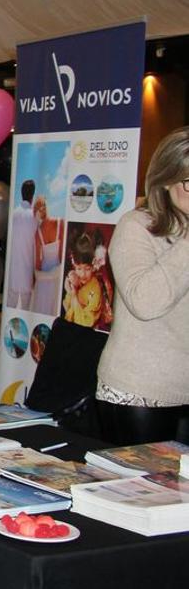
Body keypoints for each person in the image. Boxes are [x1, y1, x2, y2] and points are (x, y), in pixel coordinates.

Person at [96, 127, 189, 445]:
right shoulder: (137, 226)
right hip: (140, 391)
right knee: (142, 491)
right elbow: (145, 302)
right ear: (165, 180)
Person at [62, 230, 110, 328]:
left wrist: (74, 294)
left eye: (87, 269)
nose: (83, 274)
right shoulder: (75, 278)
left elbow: (86, 322)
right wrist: (70, 289)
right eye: (79, 268)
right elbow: (67, 306)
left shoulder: (95, 288)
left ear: (94, 266)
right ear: (74, 265)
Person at [6, 179, 38, 310]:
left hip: (12, 271)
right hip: (27, 270)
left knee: (9, 309)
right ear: (33, 195)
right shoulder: (34, 217)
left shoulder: (12, 214)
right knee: (25, 312)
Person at [30, 195, 63, 316]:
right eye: (40, 207)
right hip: (51, 276)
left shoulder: (59, 223)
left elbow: (38, 264)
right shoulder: (39, 232)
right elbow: (38, 263)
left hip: (49, 277)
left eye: (43, 205)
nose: (43, 209)